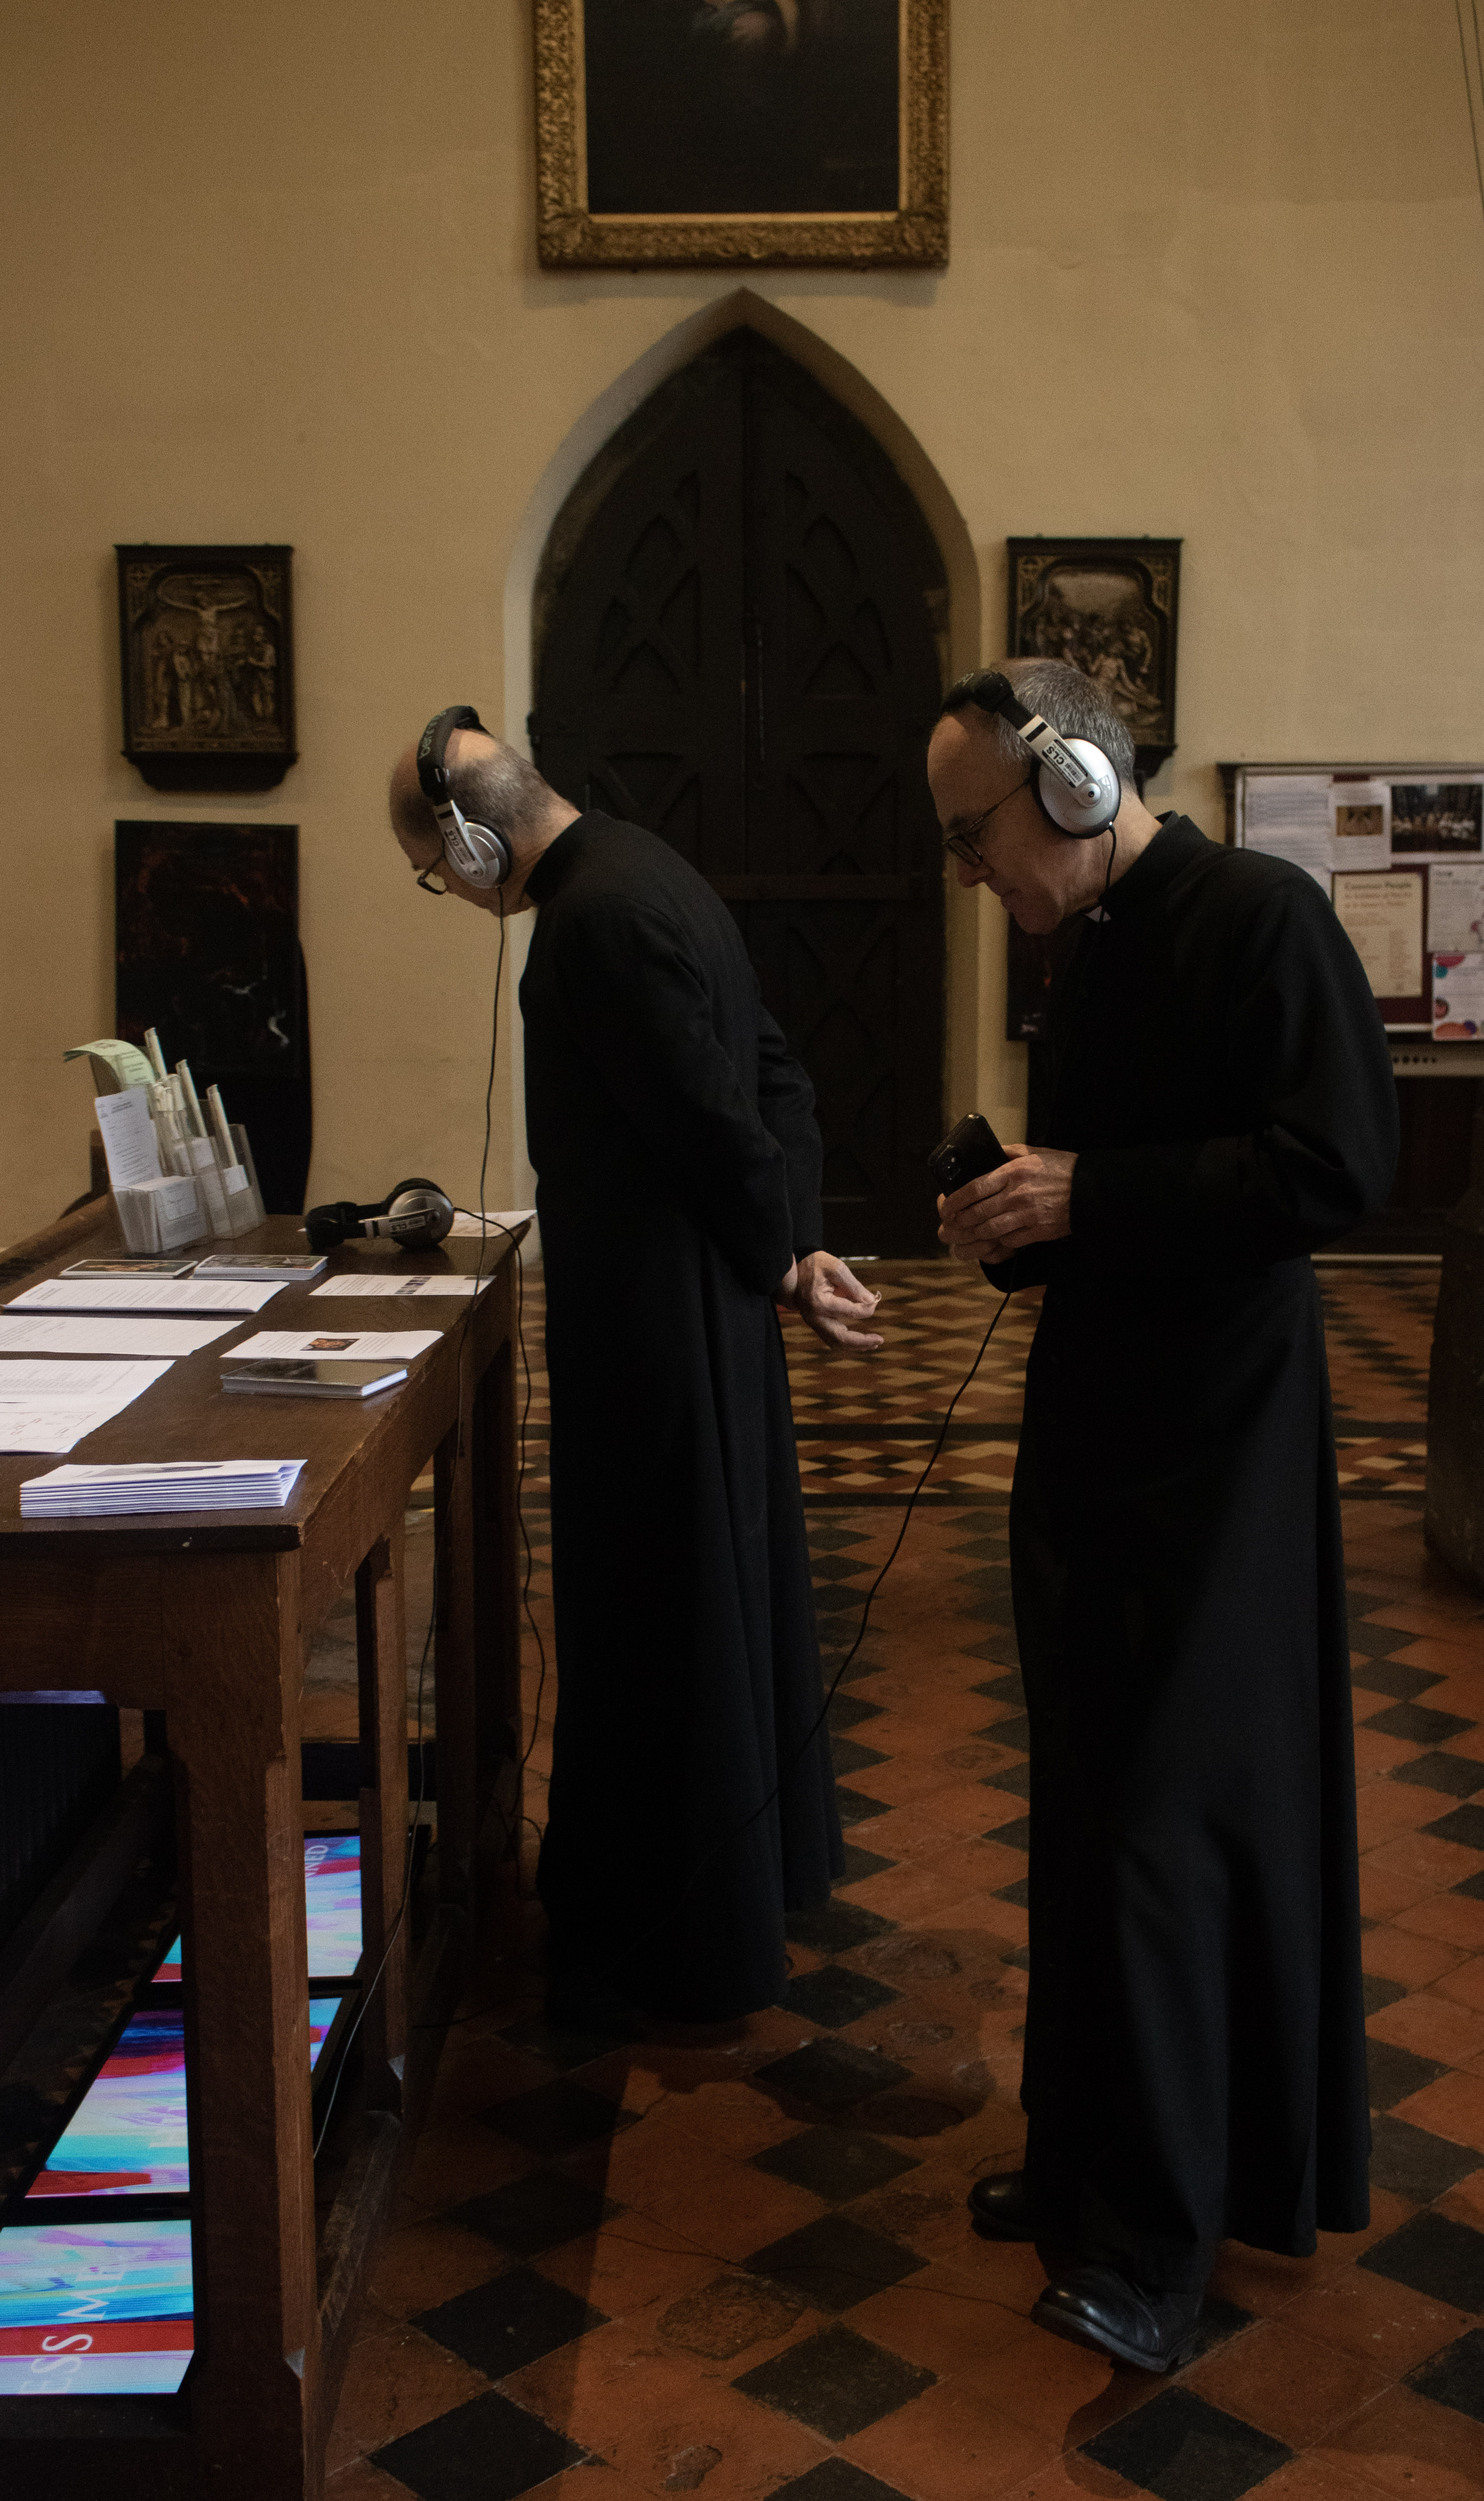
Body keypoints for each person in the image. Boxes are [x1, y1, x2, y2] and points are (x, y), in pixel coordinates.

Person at [929, 660, 1398, 2370]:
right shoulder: (1098, 943)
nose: (970, 872)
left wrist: (1091, 1193)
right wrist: (1021, 1218)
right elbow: (1127, 1198)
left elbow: (1337, 1168)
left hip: (1216, 1443)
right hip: (1101, 1422)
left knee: (1164, 1825)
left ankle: (1157, 2239)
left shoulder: (1260, 916)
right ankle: (1084, 2159)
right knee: (1087, 1796)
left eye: (974, 833)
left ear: (1069, 784)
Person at [388, 713, 883, 2028]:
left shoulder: (591, 922)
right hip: (697, 1300)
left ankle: (678, 1941)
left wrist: (781, 1260)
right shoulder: (648, 868)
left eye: (436, 873)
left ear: (470, 840)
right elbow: (776, 1079)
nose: (451, 893)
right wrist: (788, 1246)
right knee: (702, 1600)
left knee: (660, 1618)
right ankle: (725, 1890)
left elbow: (709, 1120)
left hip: (651, 1322)